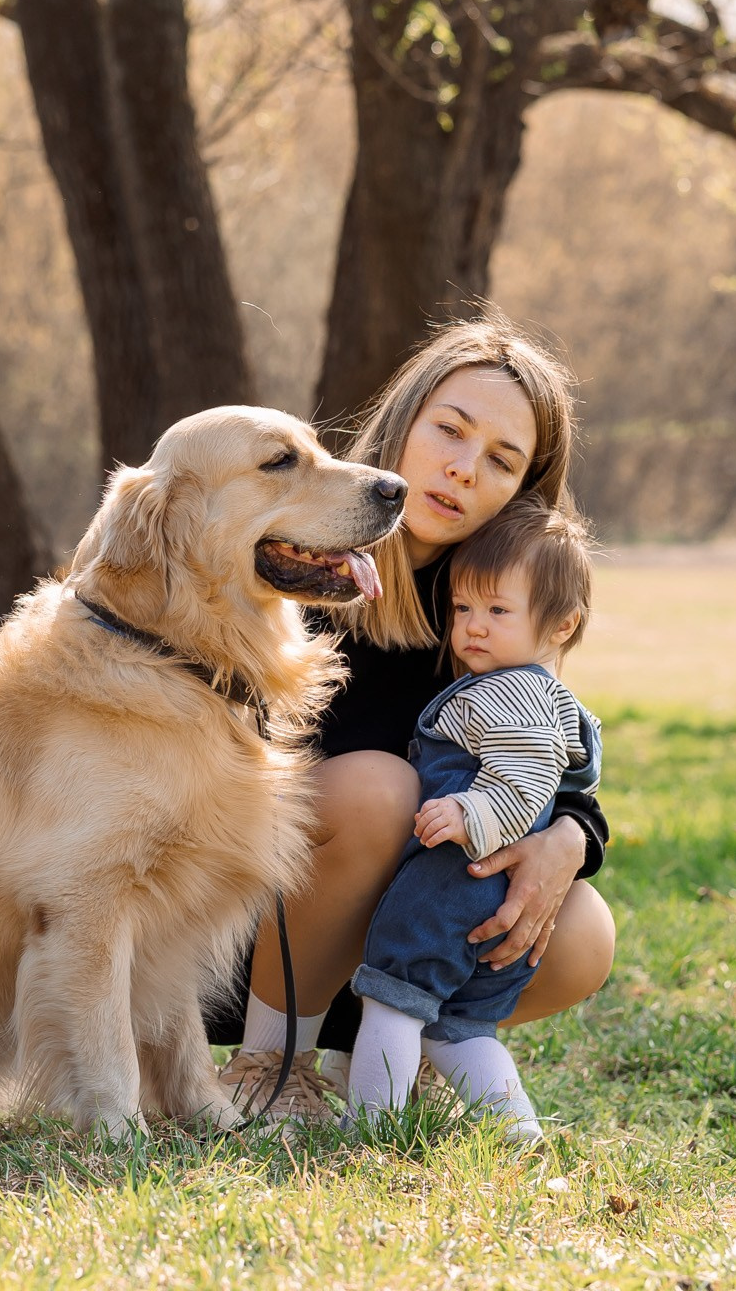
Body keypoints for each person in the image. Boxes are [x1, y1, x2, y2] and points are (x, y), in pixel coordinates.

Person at [206, 318, 615, 1121]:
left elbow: (542, 746)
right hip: (233, 934)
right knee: (377, 789)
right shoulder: (293, 558)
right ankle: (269, 1065)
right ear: (404, 422)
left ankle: (391, 1050)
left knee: (582, 932)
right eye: (450, 431)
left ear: (521, 491)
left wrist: (569, 840)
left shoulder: (486, 612)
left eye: (500, 460)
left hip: (394, 942)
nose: (463, 469)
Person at [344, 505, 600, 1143]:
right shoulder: (561, 704)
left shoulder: (509, 692)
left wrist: (470, 812)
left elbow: (526, 777)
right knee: (458, 1025)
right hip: (507, 907)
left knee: (394, 994)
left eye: (497, 611)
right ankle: (518, 1134)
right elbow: (572, 785)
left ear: (561, 624)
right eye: (462, 610)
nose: (472, 629)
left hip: (454, 884)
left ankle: (370, 1131)